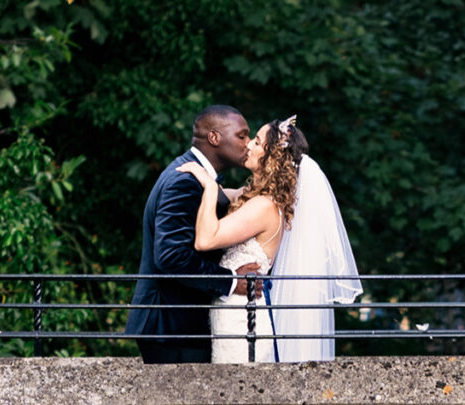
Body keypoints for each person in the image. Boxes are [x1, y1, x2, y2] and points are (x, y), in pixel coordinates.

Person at [178, 116, 362, 363]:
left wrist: (209, 188)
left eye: (256, 141)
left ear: (272, 156)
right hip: (233, 312)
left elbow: (205, 240)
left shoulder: (264, 207)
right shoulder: (257, 198)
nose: (248, 146)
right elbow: (227, 195)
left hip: (242, 319)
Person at [126, 105, 251, 363]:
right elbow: (172, 256)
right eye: (242, 135)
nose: (247, 144)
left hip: (179, 327)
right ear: (214, 137)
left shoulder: (199, 177)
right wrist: (229, 281)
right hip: (171, 328)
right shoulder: (184, 180)